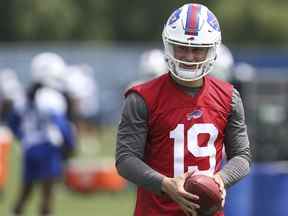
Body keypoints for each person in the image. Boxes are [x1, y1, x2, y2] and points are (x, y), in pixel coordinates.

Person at [116, 3, 251, 216]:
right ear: (168, 45)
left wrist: (220, 179)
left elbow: (242, 156)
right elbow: (125, 159)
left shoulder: (229, 97)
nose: (189, 56)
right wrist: (165, 184)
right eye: (182, 46)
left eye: (197, 49)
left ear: (212, 49)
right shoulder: (142, 97)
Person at [3, 52, 76, 216]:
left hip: (29, 147)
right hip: (47, 147)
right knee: (47, 192)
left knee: (26, 188)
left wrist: (24, 138)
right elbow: (61, 124)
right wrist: (70, 144)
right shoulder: (51, 96)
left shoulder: (23, 95)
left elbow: (13, 123)